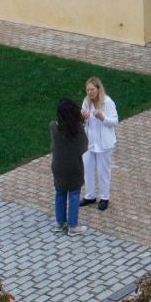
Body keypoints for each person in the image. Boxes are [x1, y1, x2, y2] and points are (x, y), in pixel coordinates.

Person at [79, 76, 119, 211]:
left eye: (92, 89)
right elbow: (83, 119)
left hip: (104, 143)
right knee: (88, 169)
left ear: (98, 89)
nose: (90, 92)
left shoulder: (107, 102)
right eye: (88, 89)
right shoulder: (86, 101)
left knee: (103, 171)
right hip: (89, 142)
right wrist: (83, 118)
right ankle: (90, 196)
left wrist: (103, 118)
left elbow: (114, 121)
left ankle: (104, 197)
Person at [50, 96, 88, 234]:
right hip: (74, 167)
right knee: (73, 194)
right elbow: (84, 146)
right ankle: (73, 226)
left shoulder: (54, 127)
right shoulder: (77, 131)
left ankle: (60, 223)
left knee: (59, 193)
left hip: (58, 166)